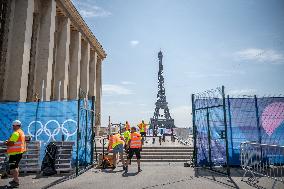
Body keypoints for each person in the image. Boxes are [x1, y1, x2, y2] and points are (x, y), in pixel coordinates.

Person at [5, 120, 26, 188]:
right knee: (16, 166)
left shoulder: (16, 133)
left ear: (17, 126)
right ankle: (15, 179)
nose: (13, 127)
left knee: (13, 168)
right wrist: (9, 141)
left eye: (14, 126)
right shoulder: (21, 132)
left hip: (15, 153)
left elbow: (11, 143)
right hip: (19, 152)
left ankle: (16, 181)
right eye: (13, 126)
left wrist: (6, 143)